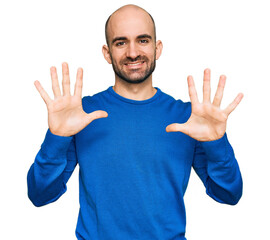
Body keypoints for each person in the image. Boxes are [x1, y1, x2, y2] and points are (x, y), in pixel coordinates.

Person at [27, 4, 243, 240]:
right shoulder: (80, 114)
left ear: (157, 48)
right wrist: (56, 138)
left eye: (143, 40)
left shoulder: (189, 118)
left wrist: (217, 144)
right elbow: (40, 195)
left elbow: (229, 194)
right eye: (121, 42)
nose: (132, 53)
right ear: (107, 52)